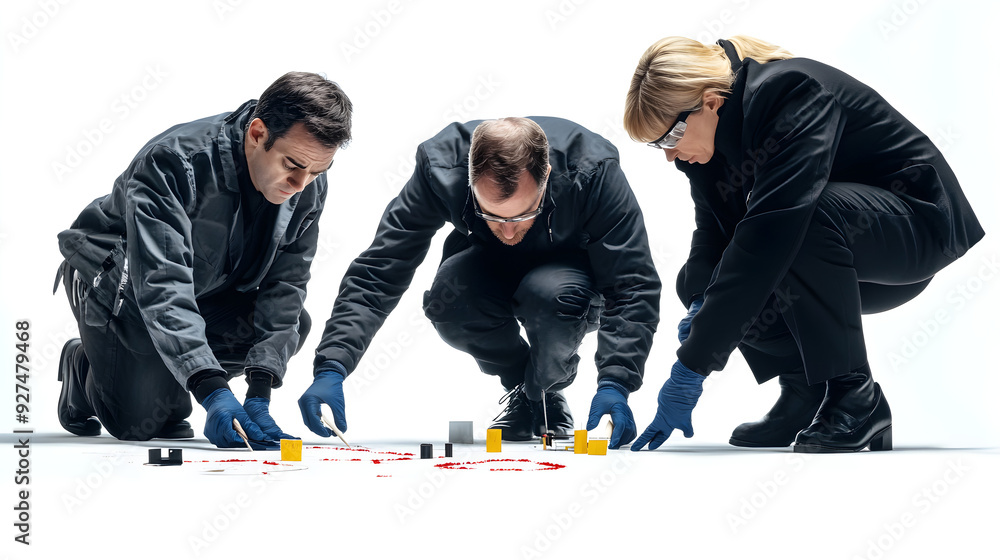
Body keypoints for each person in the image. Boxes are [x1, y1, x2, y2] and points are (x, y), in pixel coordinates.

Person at [623, 36, 984, 453]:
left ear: (709, 103)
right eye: (657, 146)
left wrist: (692, 366)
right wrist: (704, 303)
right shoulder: (704, 146)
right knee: (697, 281)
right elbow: (714, 232)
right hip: (833, 247)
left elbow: (773, 230)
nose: (669, 156)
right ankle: (806, 392)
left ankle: (855, 396)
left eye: (670, 138)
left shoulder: (791, 91)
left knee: (801, 220)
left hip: (915, 229)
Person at [298, 117, 660, 448]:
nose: (507, 229)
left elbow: (632, 283)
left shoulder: (593, 171)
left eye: (523, 213)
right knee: (448, 299)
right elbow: (382, 268)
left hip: (569, 276)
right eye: (491, 214)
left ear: (546, 175)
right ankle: (527, 388)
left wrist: (616, 382)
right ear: (468, 180)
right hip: (488, 264)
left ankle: (541, 391)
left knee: (551, 296)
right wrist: (333, 365)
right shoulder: (441, 167)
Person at [54, 72, 353, 448]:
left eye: (317, 171)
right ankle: (83, 369)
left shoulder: (308, 181)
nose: (301, 185)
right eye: (292, 165)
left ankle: (158, 378)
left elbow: (286, 285)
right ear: (258, 133)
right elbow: (162, 285)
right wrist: (211, 390)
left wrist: (259, 391)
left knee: (296, 322)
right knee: (135, 425)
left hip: (203, 290)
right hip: (121, 281)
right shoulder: (174, 162)